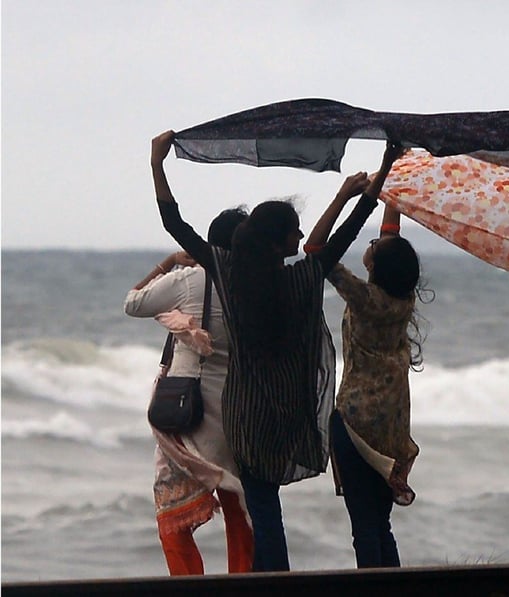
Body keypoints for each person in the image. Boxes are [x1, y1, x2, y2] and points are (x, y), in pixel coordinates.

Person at [149, 130, 405, 571]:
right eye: (293, 231)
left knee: (264, 509)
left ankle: (273, 581)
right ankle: (273, 579)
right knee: (267, 510)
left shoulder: (229, 275)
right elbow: (341, 236)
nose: (301, 234)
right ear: (275, 242)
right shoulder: (301, 280)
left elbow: (177, 227)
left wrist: (157, 164)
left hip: (245, 415)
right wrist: (381, 171)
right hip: (285, 413)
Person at [124, 208, 253, 575]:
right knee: (237, 504)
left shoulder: (189, 280)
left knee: (172, 517)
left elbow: (133, 303)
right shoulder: (255, 283)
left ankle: (188, 584)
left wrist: (167, 263)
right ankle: (243, 581)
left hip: (188, 411)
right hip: (234, 410)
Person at [306, 180, 427, 568]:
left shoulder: (364, 296)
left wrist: (343, 196)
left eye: (374, 247)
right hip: (391, 424)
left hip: (356, 423)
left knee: (363, 527)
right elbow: (391, 231)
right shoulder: (402, 299)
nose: (371, 243)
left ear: (375, 265)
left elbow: (314, 249)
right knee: (380, 524)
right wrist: (392, 177)